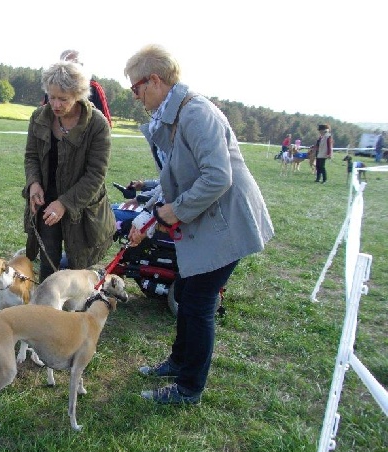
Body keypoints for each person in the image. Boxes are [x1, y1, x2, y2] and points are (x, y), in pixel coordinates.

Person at [124, 44, 274, 405]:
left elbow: (217, 177)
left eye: (136, 87)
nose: (135, 96)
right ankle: (178, 362)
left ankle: (189, 388)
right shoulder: (175, 116)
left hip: (227, 223)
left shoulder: (195, 114)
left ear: (156, 80)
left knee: (200, 302)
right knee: (190, 293)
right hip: (208, 219)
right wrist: (150, 199)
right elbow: (179, 172)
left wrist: (174, 212)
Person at [24, 61, 115, 282]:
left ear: (79, 94)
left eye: (63, 99)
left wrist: (65, 203)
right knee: (49, 262)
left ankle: (76, 314)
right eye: (51, 96)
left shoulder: (97, 125)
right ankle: (47, 312)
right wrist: (34, 183)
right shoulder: (39, 117)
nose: (55, 104)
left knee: (78, 265)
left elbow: (96, 174)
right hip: (46, 202)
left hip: (81, 206)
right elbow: (32, 157)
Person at [43, 50, 112, 128]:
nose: (57, 104)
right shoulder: (51, 87)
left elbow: (106, 123)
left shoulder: (94, 87)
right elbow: (44, 117)